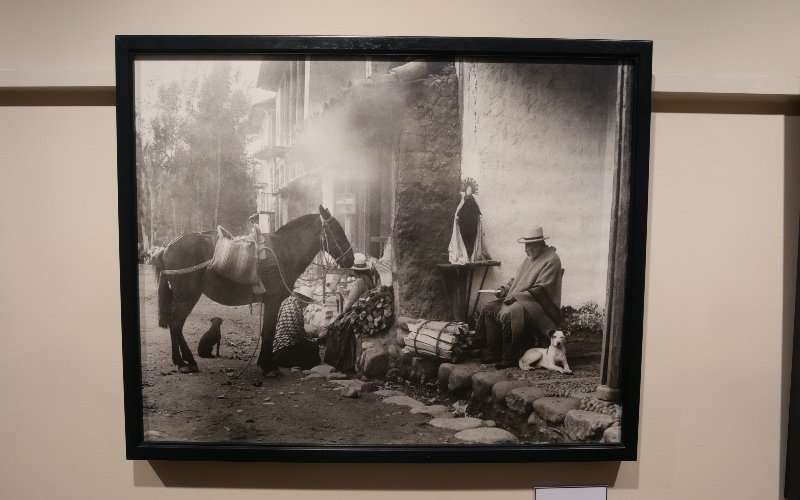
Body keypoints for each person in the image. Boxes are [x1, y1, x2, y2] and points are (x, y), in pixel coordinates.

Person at [475, 226, 563, 368]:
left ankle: (509, 356)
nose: (526, 249)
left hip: (539, 306)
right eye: (526, 245)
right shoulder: (530, 258)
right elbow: (517, 280)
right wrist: (504, 289)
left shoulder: (552, 260)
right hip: (522, 299)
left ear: (539, 244)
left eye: (529, 245)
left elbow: (541, 290)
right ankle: (493, 351)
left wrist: (516, 297)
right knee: (489, 308)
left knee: (509, 313)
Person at [323, 253, 376, 372]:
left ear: (356, 271)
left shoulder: (359, 282)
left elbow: (349, 303)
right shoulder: (369, 280)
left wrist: (341, 315)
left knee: (336, 327)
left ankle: (339, 362)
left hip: (358, 312)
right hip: (366, 311)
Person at [272, 285, 320, 369]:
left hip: (278, 345)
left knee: (310, 345)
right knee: (313, 348)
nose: (307, 305)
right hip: (286, 347)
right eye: (307, 302)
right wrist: (309, 338)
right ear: (302, 299)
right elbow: (296, 333)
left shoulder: (287, 302)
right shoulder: (294, 308)